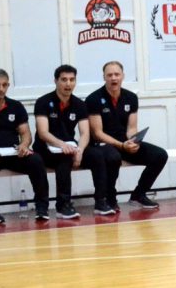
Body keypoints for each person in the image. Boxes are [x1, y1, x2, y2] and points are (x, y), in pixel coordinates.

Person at [34, 65, 120, 218]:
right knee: (64, 158)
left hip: (70, 146)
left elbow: (85, 133)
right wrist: (62, 145)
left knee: (97, 155)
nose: (68, 84)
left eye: (72, 80)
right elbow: (43, 132)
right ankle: (63, 205)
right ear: (56, 81)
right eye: (64, 80)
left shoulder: (79, 104)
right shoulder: (43, 102)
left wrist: (80, 150)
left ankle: (101, 201)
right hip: (47, 148)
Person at [85, 61, 168, 211]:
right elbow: (97, 133)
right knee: (113, 158)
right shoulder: (93, 99)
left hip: (124, 142)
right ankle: (109, 198)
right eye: (109, 75)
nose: (113, 78)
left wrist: (133, 141)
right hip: (103, 144)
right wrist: (122, 145)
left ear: (123, 76)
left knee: (160, 155)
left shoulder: (131, 97)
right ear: (104, 77)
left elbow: (131, 128)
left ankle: (139, 194)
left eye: (117, 74)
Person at [0, 68, 49, 224]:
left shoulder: (16, 106)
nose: (1, 89)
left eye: (4, 85)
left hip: (12, 153)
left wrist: (24, 145)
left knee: (36, 160)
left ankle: (41, 207)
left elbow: (26, 133)